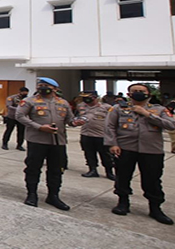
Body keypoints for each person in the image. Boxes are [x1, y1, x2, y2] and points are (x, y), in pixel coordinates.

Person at [105, 83, 175, 225]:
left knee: (152, 179)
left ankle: (155, 208)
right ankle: (123, 202)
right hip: (125, 148)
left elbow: (172, 125)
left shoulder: (159, 109)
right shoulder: (118, 109)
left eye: (141, 91)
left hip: (151, 150)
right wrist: (113, 144)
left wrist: (147, 114)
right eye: (135, 91)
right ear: (129, 94)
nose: (138, 93)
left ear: (149, 94)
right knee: (123, 176)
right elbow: (110, 126)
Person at [15, 77, 83, 210]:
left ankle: (53, 196)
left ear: (55, 89)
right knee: (33, 168)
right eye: (40, 85)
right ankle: (32, 194)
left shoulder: (63, 103)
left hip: (58, 141)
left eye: (46, 86)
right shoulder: (29, 101)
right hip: (37, 141)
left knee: (56, 170)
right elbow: (20, 116)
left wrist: (76, 122)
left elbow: (69, 120)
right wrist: (39, 127)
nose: (42, 88)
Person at [76, 91, 115, 180]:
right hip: (86, 134)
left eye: (88, 97)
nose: (85, 99)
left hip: (101, 135)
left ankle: (109, 172)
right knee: (89, 153)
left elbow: (112, 120)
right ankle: (92, 170)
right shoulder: (81, 106)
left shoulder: (106, 107)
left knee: (106, 155)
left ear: (95, 97)